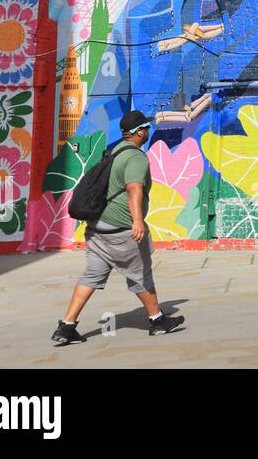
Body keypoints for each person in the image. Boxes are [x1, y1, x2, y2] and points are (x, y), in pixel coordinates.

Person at [51, 110, 184, 345]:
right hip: (120, 229)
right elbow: (134, 188)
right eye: (146, 129)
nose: (148, 132)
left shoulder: (114, 151)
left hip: (97, 228)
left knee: (91, 276)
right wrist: (137, 221)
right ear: (139, 132)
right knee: (141, 274)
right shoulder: (135, 157)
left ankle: (67, 326)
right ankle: (157, 321)